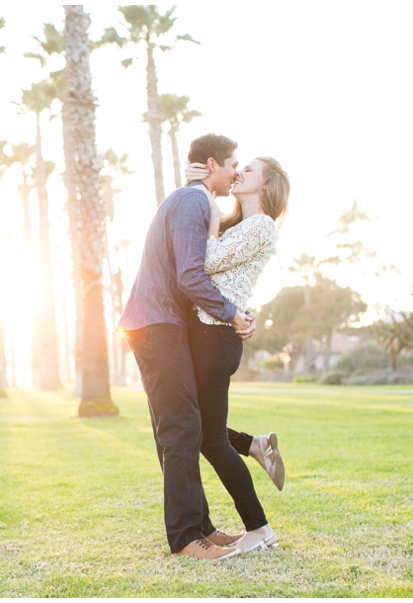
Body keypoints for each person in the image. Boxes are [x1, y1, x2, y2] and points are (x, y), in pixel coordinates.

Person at [118, 134, 256, 560]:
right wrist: (232, 313)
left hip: (159, 324)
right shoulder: (193, 201)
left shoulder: (197, 202)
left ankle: (202, 528)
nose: (237, 172)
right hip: (157, 325)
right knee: (180, 429)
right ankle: (184, 540)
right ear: (212, 164)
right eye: (233, 164)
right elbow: (190, 277)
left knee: (185, 426)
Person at [184, 152, 291, 552]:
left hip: (215, 339)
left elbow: (206, 261)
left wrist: (210, 211)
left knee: (207, 439)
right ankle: (253, 446)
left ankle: (259, 529)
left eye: (247, 170)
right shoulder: (240, 225)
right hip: (212, 334)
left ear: (263, 187)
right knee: (194, 428)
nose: (237, 171)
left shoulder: (261, 225)